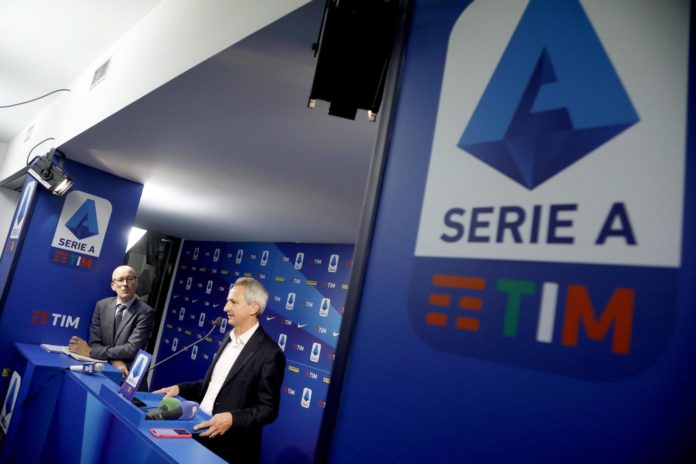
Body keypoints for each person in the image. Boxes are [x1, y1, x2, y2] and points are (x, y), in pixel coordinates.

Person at [154, 277, 286, 464]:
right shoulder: (228, 338)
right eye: (227, 301)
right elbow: (215, 384)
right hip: (198, 432)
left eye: (233, 302)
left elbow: (268, 409)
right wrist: (179, 389)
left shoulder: (270, 353)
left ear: (253, 308)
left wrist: (233, 419)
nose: (225, 308)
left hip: (229, 448)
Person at [68, 265, 155, 379]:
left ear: (137, 282)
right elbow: (95, 342)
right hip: (101, 368)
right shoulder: (101, 306)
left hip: (127, 373)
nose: (125, 284)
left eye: (129, 279)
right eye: (120, 280)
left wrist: (90, 352)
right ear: (113, 286)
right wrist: (113, 360)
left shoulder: (145, 312)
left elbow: (131, 349)